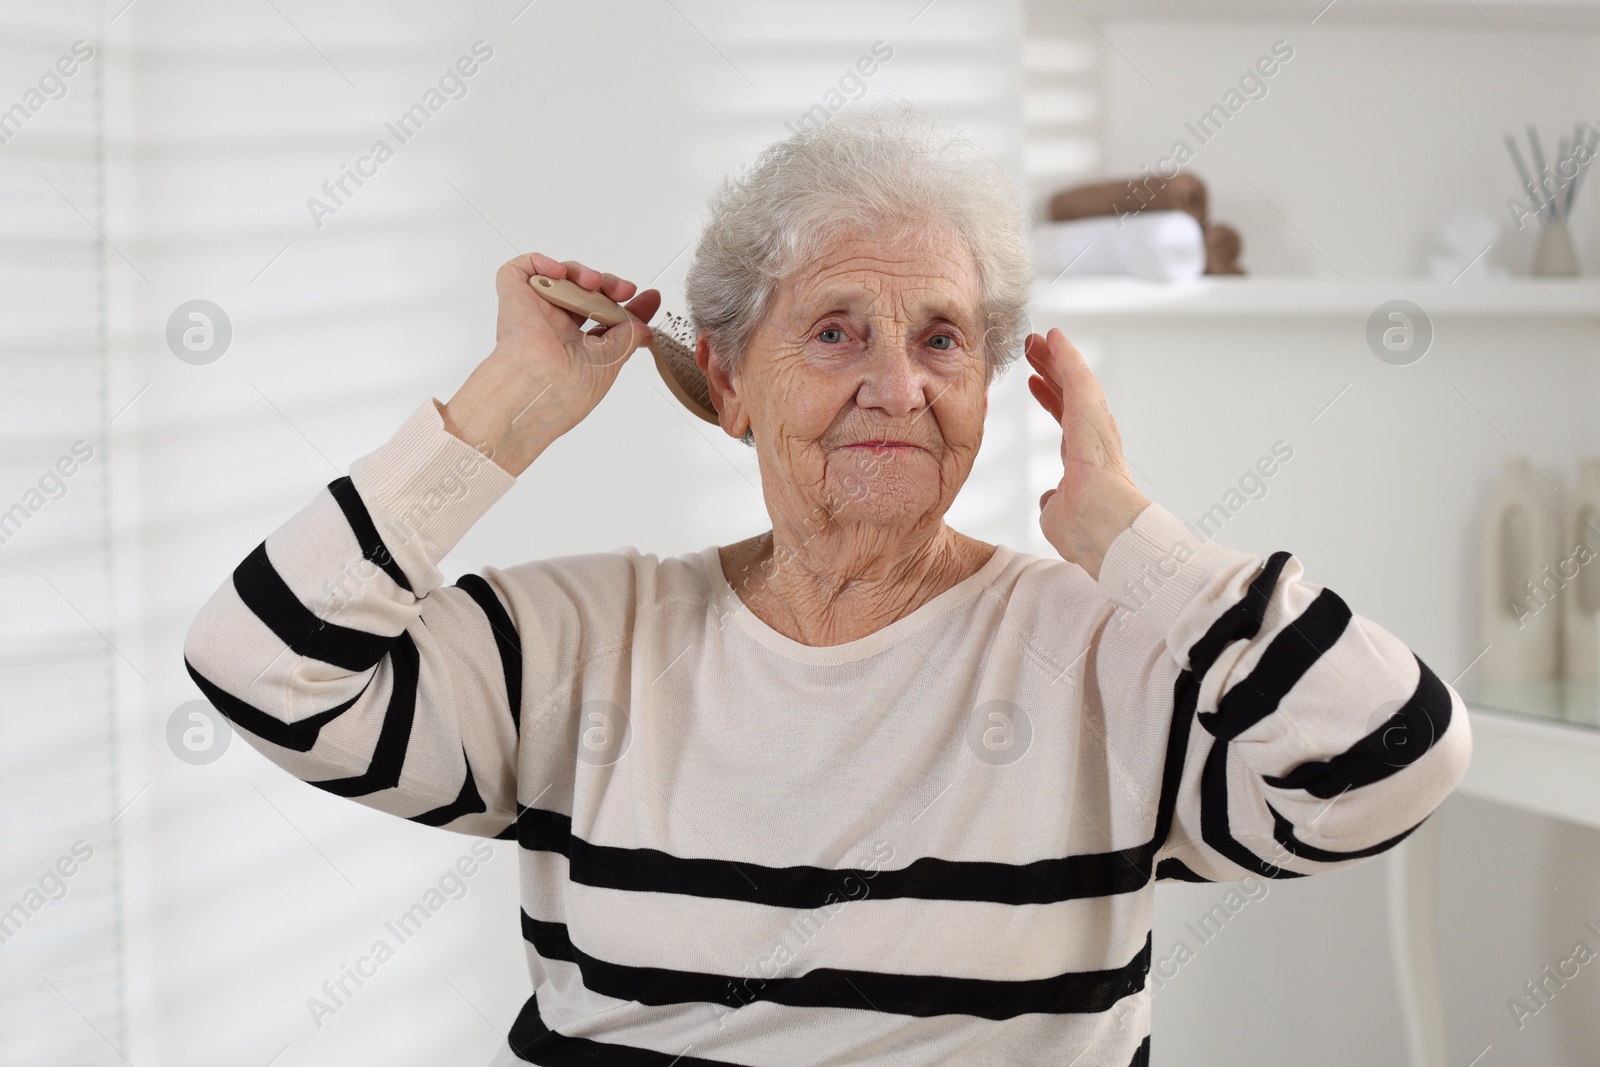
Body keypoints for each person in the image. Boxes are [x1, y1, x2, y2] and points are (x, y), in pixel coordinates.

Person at [184, 104, 1471, 1066]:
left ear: (986, 387)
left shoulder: (1098, 653)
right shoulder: (579, 637)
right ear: (730, 383)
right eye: (836, 329)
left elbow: (1393, 760)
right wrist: (507, 409)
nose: (897, 387)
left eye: (942, 339)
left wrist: (1125, 531)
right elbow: (260, 668)